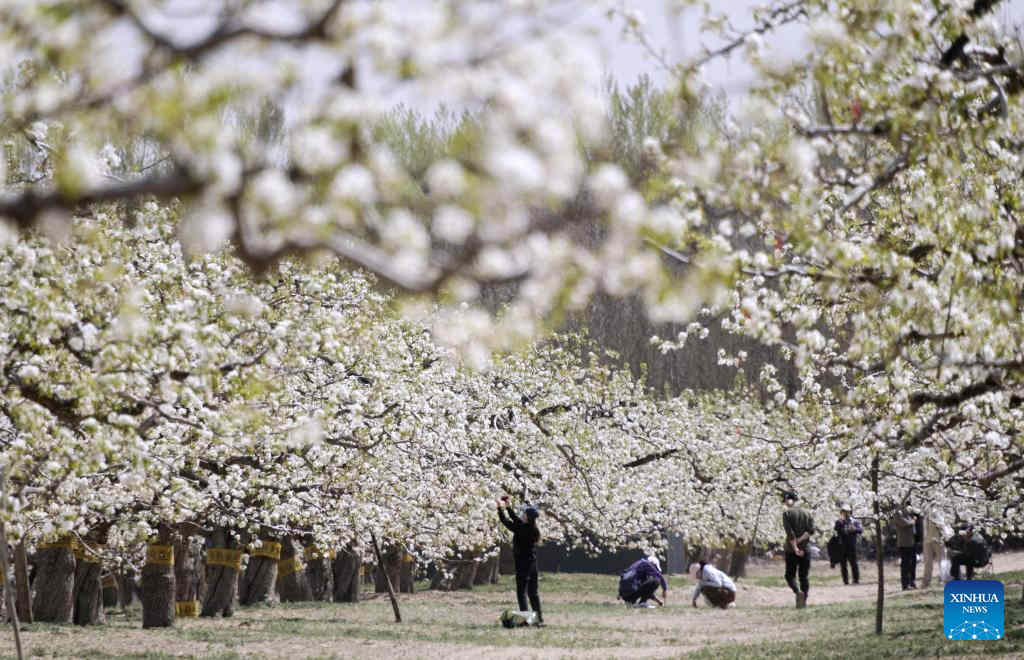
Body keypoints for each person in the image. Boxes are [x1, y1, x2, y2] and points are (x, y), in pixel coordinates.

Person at [497, 495, 543, 625]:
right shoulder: (533, 529)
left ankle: (525, 620)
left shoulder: (521, 528)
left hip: (523, 565)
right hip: (533, 565)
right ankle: (538, 619)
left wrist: (499, 508)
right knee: (533, 593)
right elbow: (515, 519)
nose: (522, 515)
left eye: (524, 514)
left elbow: (505, 521)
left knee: (521, 593)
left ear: (527, 517)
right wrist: (507, 505)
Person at [781, 491, 815, 608]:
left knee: (789, 575)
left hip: (791, 550)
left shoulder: (787, 513)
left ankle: (797, 591)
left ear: (787, 500)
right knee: (803, 576)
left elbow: (790, 533)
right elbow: (810, 531)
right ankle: (804, 600)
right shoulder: (807, 513)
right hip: (806, 549)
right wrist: (800, 542)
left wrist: (795, 547)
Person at [921, 507, 951, 588]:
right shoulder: (925, 512)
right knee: (928, 562)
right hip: (927, 540)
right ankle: (926, 582)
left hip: (937, 540)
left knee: (942, 560)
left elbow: (943, 525)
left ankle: (944, 579)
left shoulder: (937, 511)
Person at [833, 504, 862, 585]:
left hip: (852, 545)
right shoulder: (839, 521)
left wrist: (854, 529)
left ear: (850, 512)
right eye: (844, 511)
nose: (846, 513)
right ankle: (845, 580)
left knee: (854, 563)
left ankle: (856, 580)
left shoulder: (855, 521)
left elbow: (860, 530)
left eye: (847, 512)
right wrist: (844, 527)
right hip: (842, 545)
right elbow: (837, 529)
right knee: (843, 564)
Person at [892, 507, 920, 590]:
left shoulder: (909, 514)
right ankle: (905, 584)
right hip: (904, 543)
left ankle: (912, 582)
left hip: (912, 542)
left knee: (913, 563)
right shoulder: (898, 513)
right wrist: (913, 521)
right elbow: (904, 523)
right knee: (905, 565)